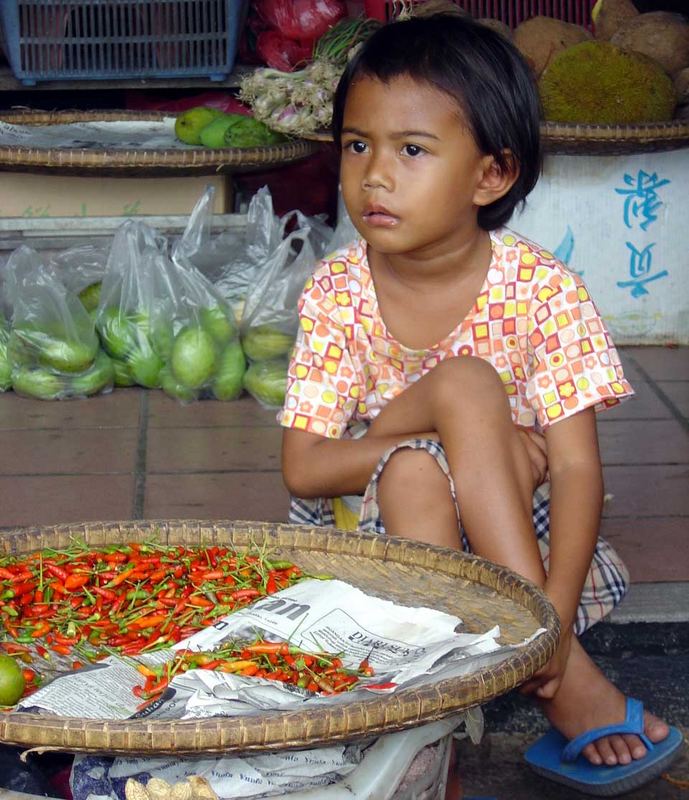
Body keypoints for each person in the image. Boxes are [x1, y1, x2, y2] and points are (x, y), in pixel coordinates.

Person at [279, 12, 681, 794]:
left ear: (490, 175)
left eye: (412, 150)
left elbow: (573, 472)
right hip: (363, 525)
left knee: (436, 462)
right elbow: (305, 469)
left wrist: (554, 623)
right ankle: (560, 687)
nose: (374, 176)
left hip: (502, 528)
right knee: (457, 402)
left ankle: (443, 727)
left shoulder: (543, 292)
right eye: (357, 145)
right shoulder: (337, 291)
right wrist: (454, 428)